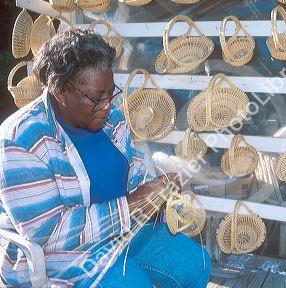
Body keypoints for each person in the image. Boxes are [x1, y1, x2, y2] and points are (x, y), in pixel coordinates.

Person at [0, 28, 210, 288]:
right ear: (60, 91)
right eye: (96, 98)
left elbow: (133, 173)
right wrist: (132, 205)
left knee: (195, 264)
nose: (108, 106)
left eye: (111, 94)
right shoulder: (21, 139)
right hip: (63, 256)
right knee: (133, 284)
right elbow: (47, 234)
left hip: (121, 231)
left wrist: (156, 194)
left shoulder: (113, 119)